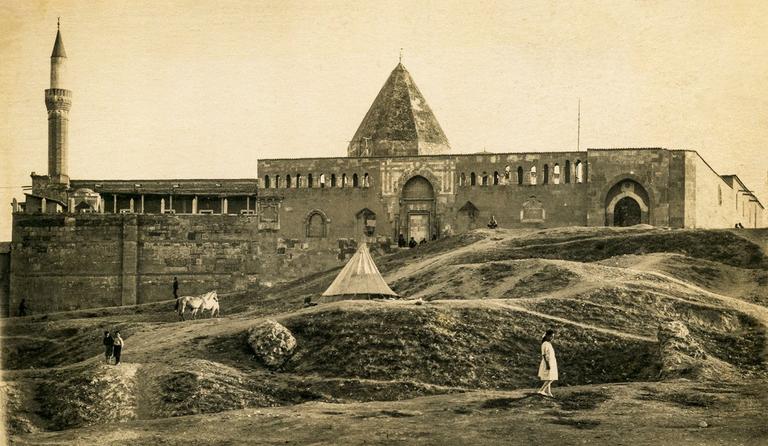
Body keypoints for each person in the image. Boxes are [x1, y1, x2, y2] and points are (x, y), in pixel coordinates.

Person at [537, 329, 557, 397]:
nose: (552, 338)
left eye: (553, 337)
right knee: (551, 378)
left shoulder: (548, 344)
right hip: (547, 362)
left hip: (551, 362)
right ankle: (541, 390)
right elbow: (544, 354)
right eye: (551, 336)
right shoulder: (545, 344)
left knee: (549, 377)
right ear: (547, 336)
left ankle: (548, 392)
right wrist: (547, 364)